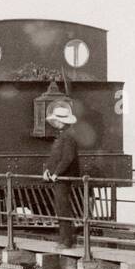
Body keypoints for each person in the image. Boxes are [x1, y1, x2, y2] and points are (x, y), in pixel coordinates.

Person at [42, 103, 80, 247]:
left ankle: (66, 240)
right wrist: (48, 170)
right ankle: (65, 239)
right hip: (60, 176)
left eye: (56, 120)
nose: (54, 123)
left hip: (64, 177)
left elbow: (68, 158)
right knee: (61, 207)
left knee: (63, 208)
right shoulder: (64, 135)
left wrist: (57, 173)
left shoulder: (68, 136)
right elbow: (57, 157)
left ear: (61, 121)